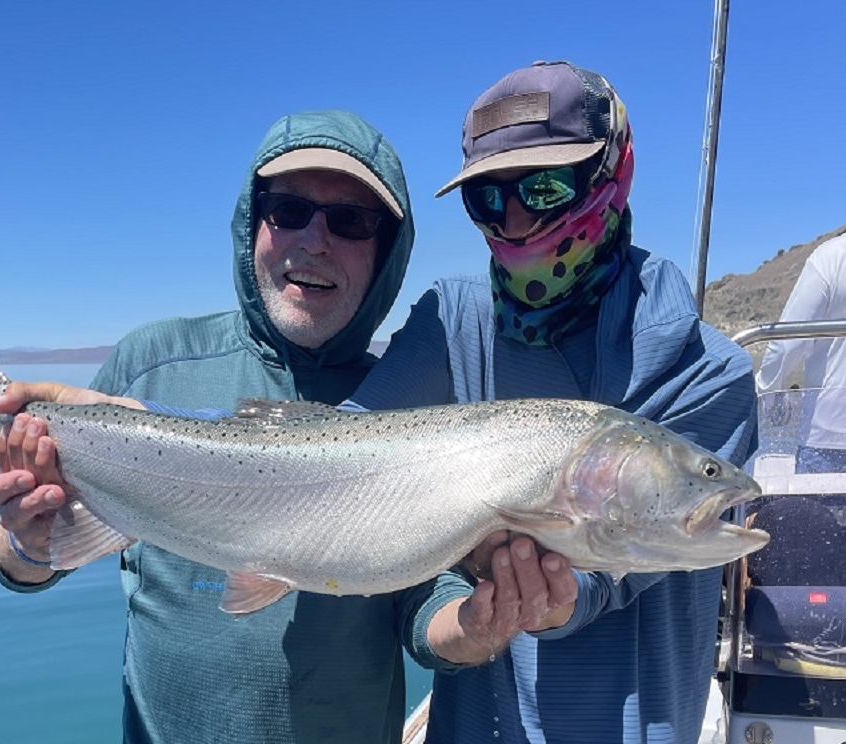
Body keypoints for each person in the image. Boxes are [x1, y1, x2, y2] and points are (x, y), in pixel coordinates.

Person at [0, 108, 578, 744]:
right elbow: (33, 561)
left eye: (350, 221)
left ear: (388, 251)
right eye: (288, 210)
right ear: (252, 221)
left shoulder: (407, 405)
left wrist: (482, 628)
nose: (313, 241)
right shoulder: (150, 363)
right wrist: (27, 542)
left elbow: (423, 612)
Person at [344, 61, 759, 743]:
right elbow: (348, 454)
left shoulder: (708, 372)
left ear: (612, 173)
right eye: (486, 198)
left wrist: (547, 595)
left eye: (543, 186)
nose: (513, 220)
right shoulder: (448, 324)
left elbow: (614, 568)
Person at [757, 231, 846, 473]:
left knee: (820, 510)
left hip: (829, 433)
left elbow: (788, 342)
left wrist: (766, 393)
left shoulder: (831, 257)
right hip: (829, 432)